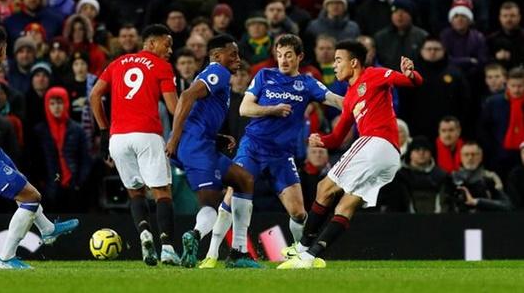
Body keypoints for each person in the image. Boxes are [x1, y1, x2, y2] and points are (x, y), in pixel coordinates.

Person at [199, 34, 343, 269]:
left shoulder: (307, 84)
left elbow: (336, 101)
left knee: (298, 213)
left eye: (288, 55)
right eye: (279, 55)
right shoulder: (264, 76)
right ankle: (212, 254)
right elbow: (245, 108)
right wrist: (272, 109)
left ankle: (301, 255)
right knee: (230, 197)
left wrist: (362, 102)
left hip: (281, 156)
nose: (283, 60)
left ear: (300, 57)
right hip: (253, 147)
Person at [278, 40, 423, 269]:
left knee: (324, 187)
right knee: (345, 205)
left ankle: (302, 246)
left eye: (338, 60)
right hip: (388, 157)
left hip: (377, 143)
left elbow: (409, 81)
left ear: (353, 62)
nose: (334, 66)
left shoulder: (374, 74)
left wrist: (410, 74)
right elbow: (336, 139)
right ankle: (309, 258)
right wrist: (321, 140)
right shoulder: (350, 97)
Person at [0, 25, 78, 270]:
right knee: (32, 197)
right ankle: (6, 258)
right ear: (2, 49)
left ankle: (47, 229)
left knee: (22, 183)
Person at [165, 34, 259, 269]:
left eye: (238, 53)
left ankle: (238, 253)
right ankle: (195, 236)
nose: (237, 58)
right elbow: (186, 96)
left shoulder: (218, 77)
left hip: (201, 144)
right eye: (232, 53)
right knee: (209, 204)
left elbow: (198, 112)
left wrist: (215, 138)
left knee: (244, 179)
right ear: (217, 56)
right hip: (195, 147)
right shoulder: (217, 71)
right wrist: (175, 138)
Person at [89, 24, 180, 266]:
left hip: (118, 139)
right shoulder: (162, 66)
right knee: (162, 191)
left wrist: (103, 130)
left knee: (135, 191)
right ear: (150, 44)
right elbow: (173, 108)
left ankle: (144, 233)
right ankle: (168, 247)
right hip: (147, 135)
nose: (170, 50)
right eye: (166, 44)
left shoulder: (118, 63)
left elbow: (95, 95)